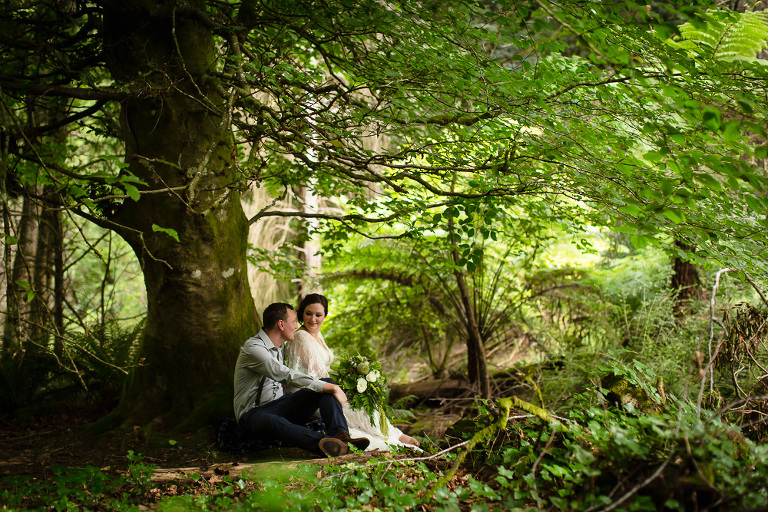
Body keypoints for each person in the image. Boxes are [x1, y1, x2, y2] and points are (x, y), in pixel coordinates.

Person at [285, 293, 420, 451]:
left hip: (325, 387)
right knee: (358, 409)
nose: (313, 319)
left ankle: (396, 435)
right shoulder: (302, 336)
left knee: (368, 405)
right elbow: (319, 375)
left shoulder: (318, 335)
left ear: (325, 316)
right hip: (311, 394)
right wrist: (341, 391)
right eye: (308, 314)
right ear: (302, 313)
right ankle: (394, 438)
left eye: (318, 315)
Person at [233, 302, 370, 458]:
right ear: (281, 324)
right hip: (253, 416)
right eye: (293, 322)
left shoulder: (281, 347)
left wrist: (329, 386)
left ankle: (341, 437)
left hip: (280, 407)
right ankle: (327, 444)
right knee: (270, 418)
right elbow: (284, 374)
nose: (296, 326)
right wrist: (332, 388)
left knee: (326, 384)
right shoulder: (254, 349)